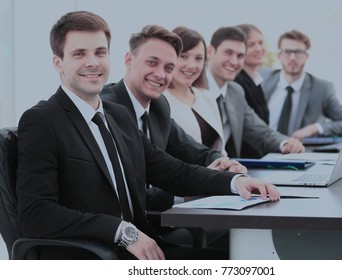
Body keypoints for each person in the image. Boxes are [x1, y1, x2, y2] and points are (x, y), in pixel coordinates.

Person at [16, 11, 280, 260]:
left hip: (143, 251)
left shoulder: (117, 116)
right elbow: (36, 214)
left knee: (244, 261)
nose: (93, 62)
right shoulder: (42, 120)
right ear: (58, 63)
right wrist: (122, 231)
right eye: (79, 53)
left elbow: (175, 172)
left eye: (100, 52)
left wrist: (234, 182)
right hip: (97, 256)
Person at [100, 25, 245, 217]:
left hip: (159, 220)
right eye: (152, 63)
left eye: (169, 68)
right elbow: (125, 196)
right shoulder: (107, 108)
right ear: (129, 60)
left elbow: (193, 150)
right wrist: (189, 192)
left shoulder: (159, 105)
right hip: (123, 229)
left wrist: (223, 163)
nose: (161, 74)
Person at [206, 26, 305, 158]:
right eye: (228, 53)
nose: (234, 61)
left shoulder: (235, 91)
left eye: (240, 55)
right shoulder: (193, 88)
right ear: (210, 51)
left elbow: (259, 131)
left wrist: (285, 143)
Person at [260, 29, 342, 140]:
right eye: (287, 52)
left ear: (306, 56)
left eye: (298, 52)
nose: (293, 57)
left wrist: (315, 128)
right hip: (261, 150)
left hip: (298, 152)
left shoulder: (321, 88)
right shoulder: (262, 79)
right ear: (279, 55)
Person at [162, 26, 225, 155]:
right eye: (184, 56)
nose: (192, 65)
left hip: (214, 173)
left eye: (199, 58)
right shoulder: (159, 100)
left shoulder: (207, 98)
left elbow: (221, 152)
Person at [234, 24, 270, 157]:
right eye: (252, 44)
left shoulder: (256, 80)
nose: (259, 49)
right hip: (247, 160)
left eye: (260, 43)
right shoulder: (237, 82)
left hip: (261, 155)